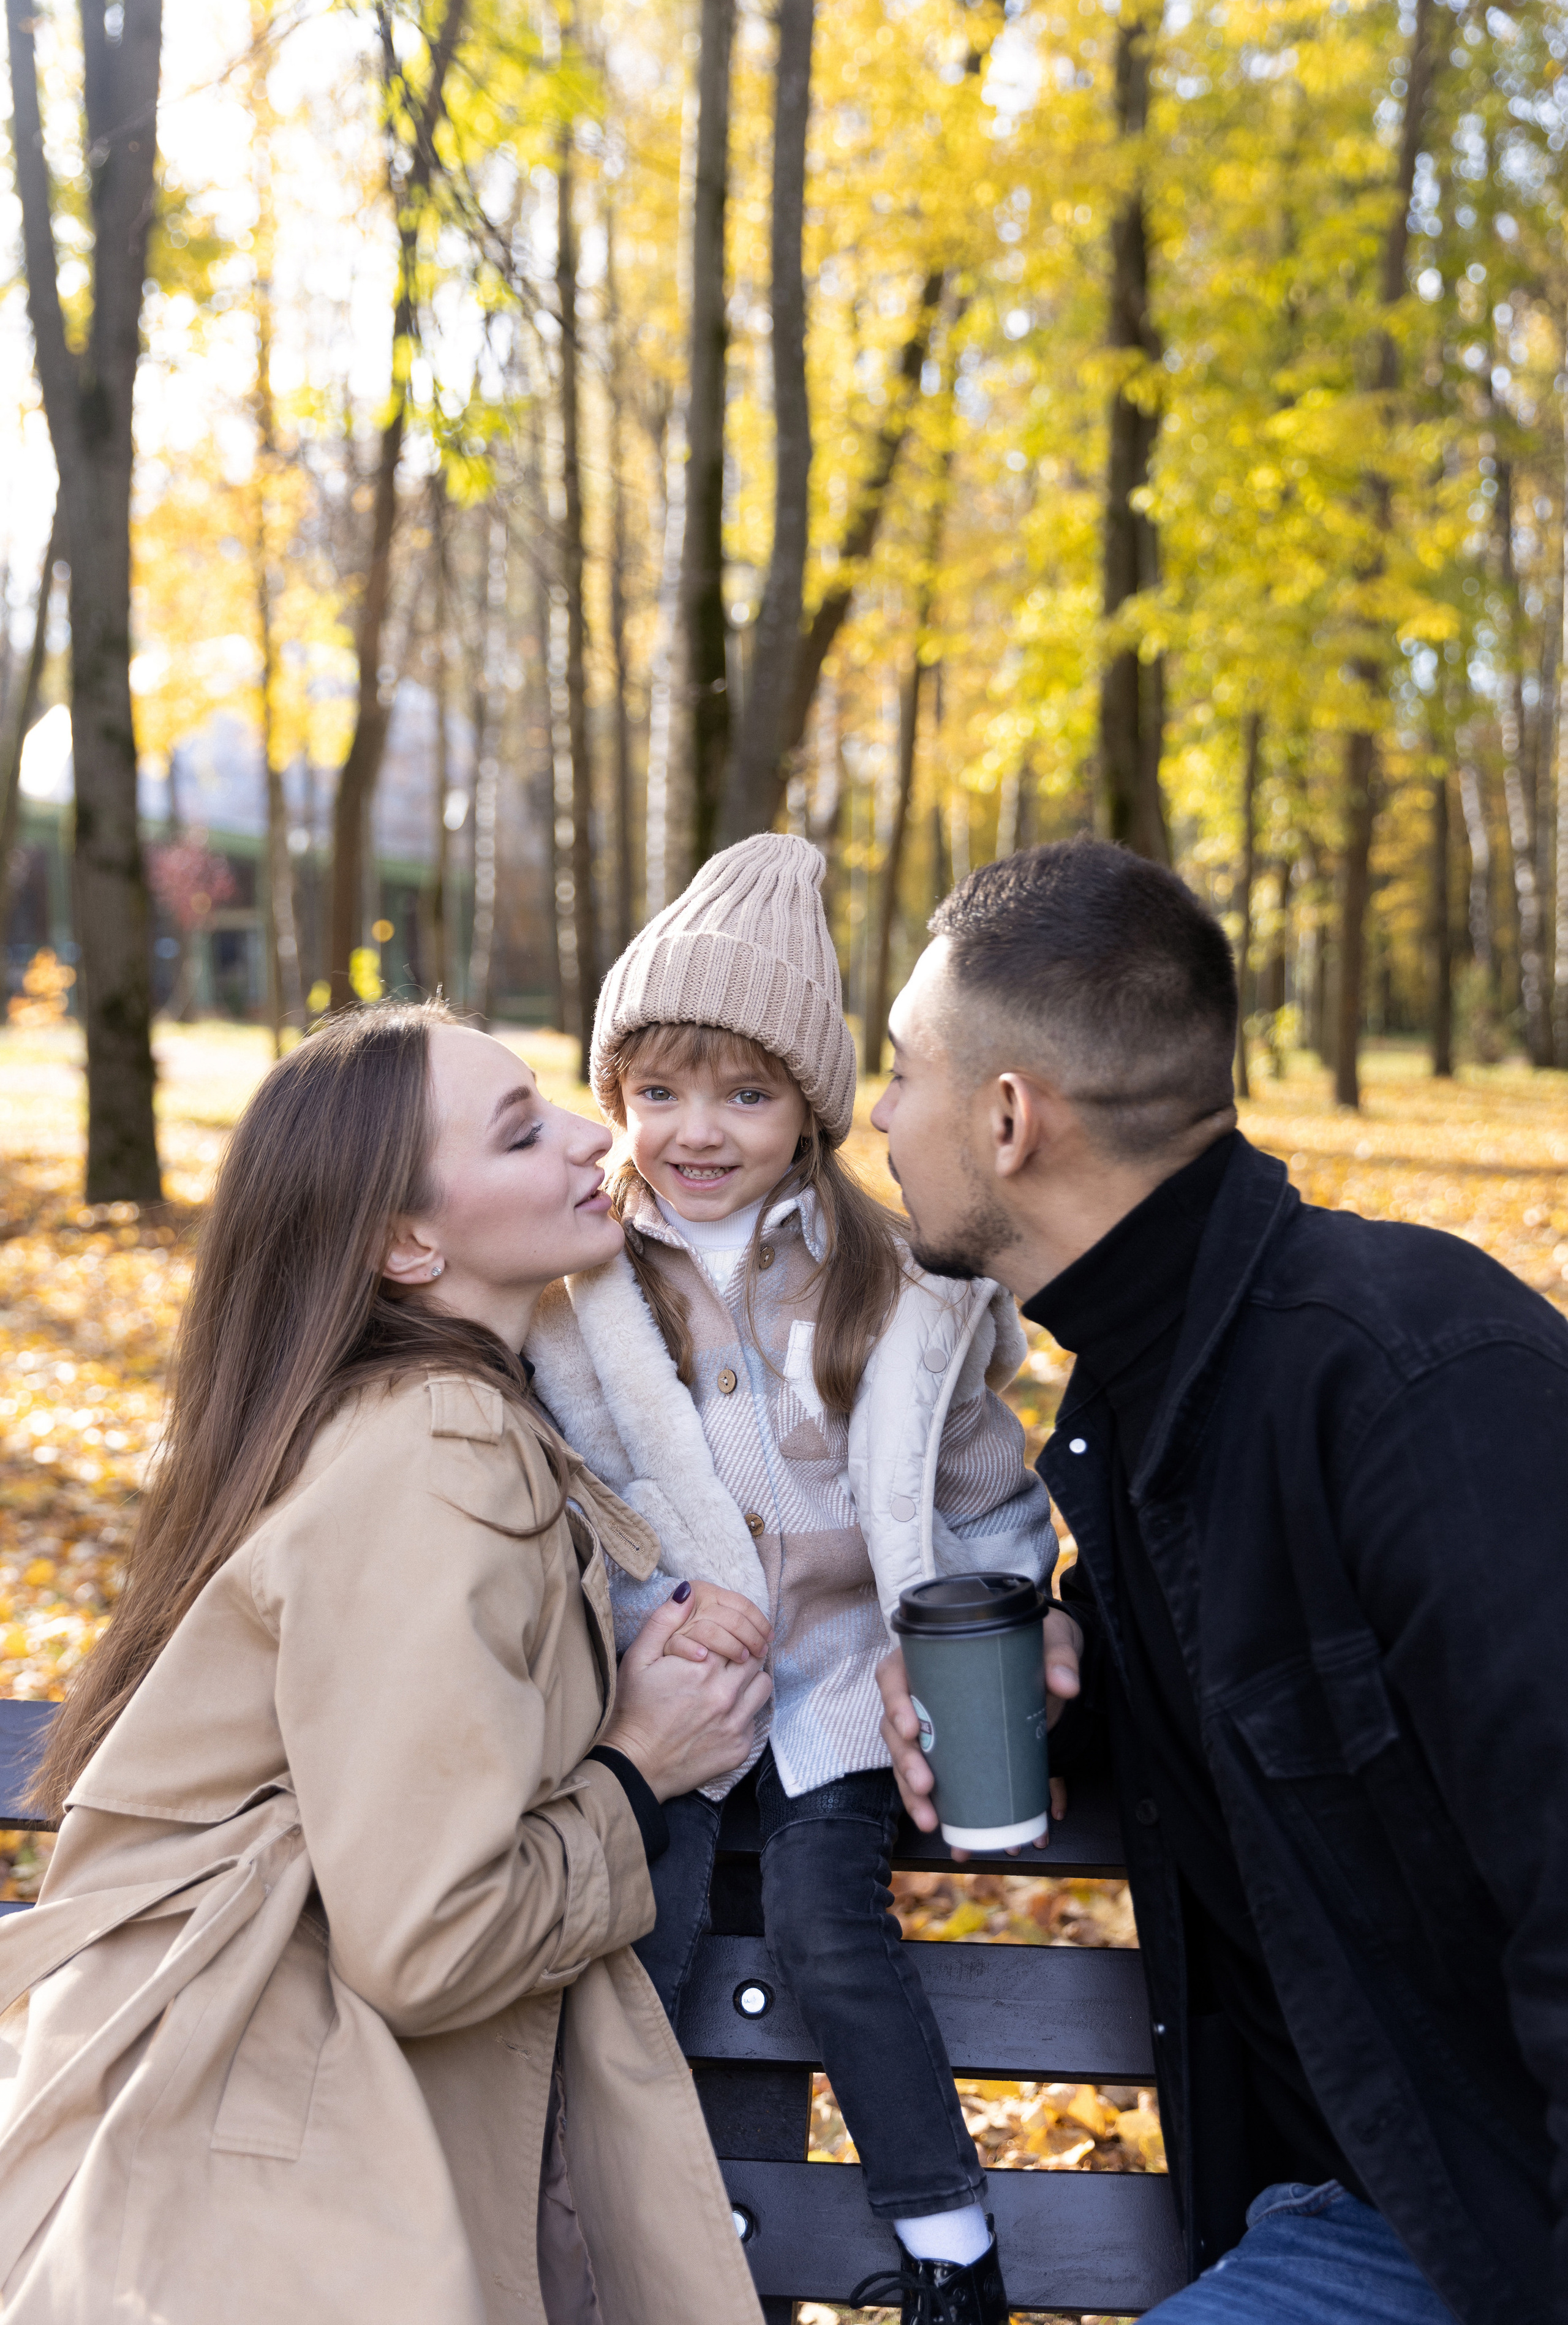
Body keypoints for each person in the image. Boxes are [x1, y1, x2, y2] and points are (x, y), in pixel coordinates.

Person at [872, 835, 1568, 2325]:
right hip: (1336, 2209)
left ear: (1007, 1118)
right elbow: (1286, 1711)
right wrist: (1069, 1689)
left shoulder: (1411, 1381)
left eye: (900, 1069)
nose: (875, 1114)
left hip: (1485, 2235)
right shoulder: (1154, 1402)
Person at [0, 1000, 772, 2325]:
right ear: (408, 1243)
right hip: (286, 2206)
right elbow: (431, 1938)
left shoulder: (360, 1418)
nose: (592, 1137)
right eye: (521, 1132)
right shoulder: (441, 1448)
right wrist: (639, 1767)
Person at [525, 833, 1057, 2325]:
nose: (696, 1131)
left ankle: (946, 2240)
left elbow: (977, 1489)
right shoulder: (579, 1284)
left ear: (810, 1106)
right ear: (616, 1094)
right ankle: (590, 2242)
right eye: (657, 1091)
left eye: (745, 1094)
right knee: (638, 1935)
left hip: (833, 1679)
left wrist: (976, 1630)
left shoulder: (886, 1277)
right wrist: (633, 1626)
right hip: (672, 1683)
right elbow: (557, 1495)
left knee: (830, 1927)